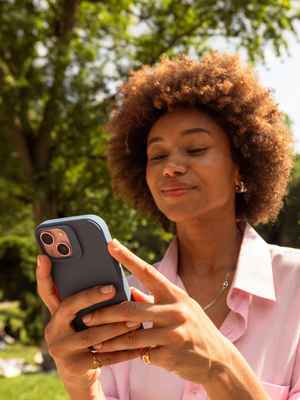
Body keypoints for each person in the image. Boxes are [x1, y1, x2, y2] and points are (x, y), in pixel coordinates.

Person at [36, 51, 300, 399]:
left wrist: (219, 368)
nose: (170, 167)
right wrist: (80, 384)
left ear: (241, 166)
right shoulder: (125, 300)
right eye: (157, 155)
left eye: (194, 148)